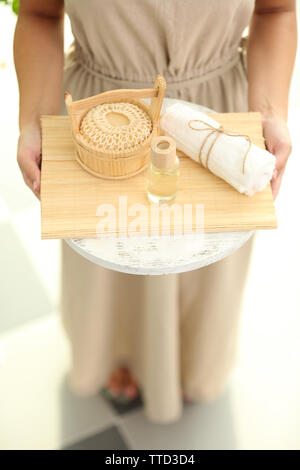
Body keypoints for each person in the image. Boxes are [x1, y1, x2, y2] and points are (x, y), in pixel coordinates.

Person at [14, 0, 296, 423]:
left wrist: (271, 114)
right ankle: (118, 352)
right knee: (107, 276)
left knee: (207, 276)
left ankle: (193, 364)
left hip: (215, 122)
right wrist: (35, 119)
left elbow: (276, 10)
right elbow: (39, 12)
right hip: (103, 119)